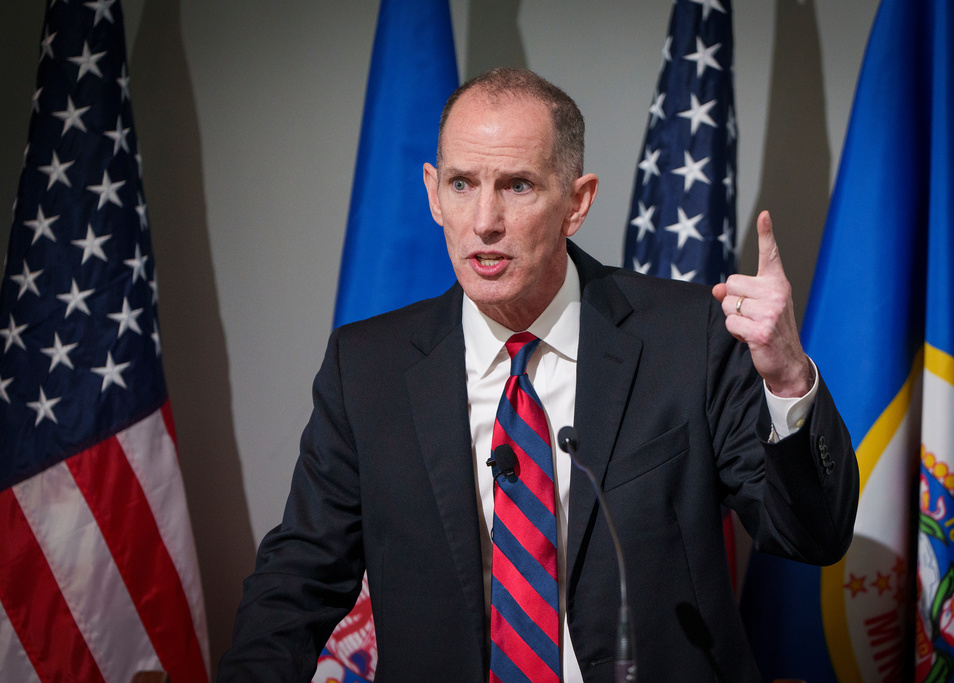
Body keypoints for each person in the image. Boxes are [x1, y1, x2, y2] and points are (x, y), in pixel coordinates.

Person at [218, 68, 857, 683]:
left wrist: (789, 378)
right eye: (462, 184)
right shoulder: (367, 367)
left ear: (576, 203)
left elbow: (813, 535)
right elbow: (299, 575)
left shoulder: (687, 339)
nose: (484, 221)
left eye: (518, 185)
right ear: (432, 193)